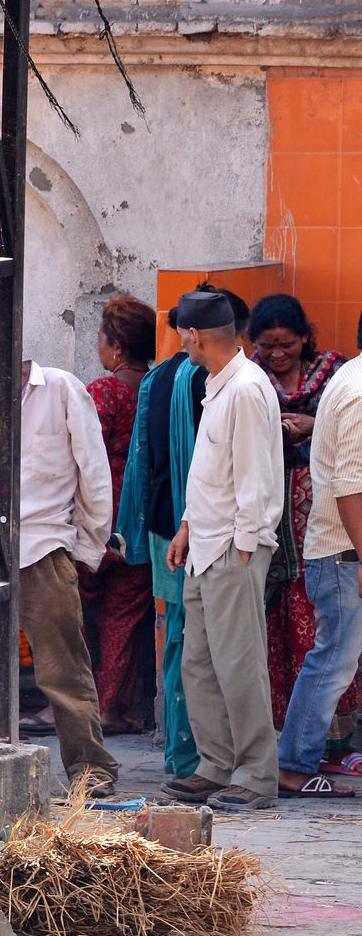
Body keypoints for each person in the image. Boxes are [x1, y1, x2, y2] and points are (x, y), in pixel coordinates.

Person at [0, 302, 119, 794]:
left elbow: (93, 472)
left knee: (62, 666)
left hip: (43, 544)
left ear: (15, 343)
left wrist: (87, 546)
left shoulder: (61, 389)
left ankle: (90, 769)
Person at [119, 294, 250, 780]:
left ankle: (187, 757)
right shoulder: (204, 379)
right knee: (192, 642)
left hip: (170, 526)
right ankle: (192, 758)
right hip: (190, 530)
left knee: (181, 639)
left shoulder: (166, 377)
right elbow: (199, 466)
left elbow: (145, 458)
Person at [164, 290, 285, 812]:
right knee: (200, 663)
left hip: (235, 549)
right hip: (204, 546)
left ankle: (257, 774)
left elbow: (255, 477)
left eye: (183, 335)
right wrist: (188, 526)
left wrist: (244, 545)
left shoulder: (247, 389)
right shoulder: (218, 384)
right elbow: (214, 472)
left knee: (239, 664)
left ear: (195, 336)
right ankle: (217, 765)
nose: (182, 344)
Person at [249, 294, 362, 739]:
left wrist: (310, 426)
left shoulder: (335, 374)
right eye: (268, 346)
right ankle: (296, 755)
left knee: (333, 651)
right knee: (330, 652)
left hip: (320, 521)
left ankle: (321, 742)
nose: (278, 355)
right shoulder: (253, 382)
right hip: (327, 536)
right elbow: (351, 482)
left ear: (305, 339)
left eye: (287, 345)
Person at [278, 318, 362, 798]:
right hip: (343, 553)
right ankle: (294, 765)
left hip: (341, 551)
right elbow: (351, 484)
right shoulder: (357, 390)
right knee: (333, 661)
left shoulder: (348, 378)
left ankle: (297, 761)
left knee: (334, 660)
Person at [81, 295, 158, 735]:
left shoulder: (105, 391)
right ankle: (112, 707)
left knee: (71, 614)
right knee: (123, 619)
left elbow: (80, 454)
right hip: (141, 521)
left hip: (96, 520)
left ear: (116, 347)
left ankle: (72, 704)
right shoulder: (157, 387)